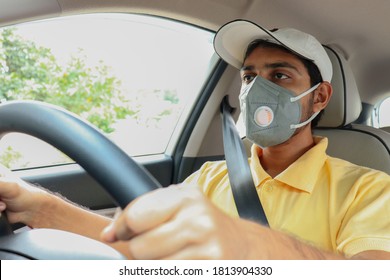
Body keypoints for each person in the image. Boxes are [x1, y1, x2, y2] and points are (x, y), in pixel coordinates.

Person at [0, 20, 389, 260]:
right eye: (250, 77)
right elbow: (134, 248)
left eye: (280, 76)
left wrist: (247, 245)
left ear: (319, 97)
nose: (257, 91)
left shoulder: (369, 189)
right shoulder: (209, 178)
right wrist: (38, 207)